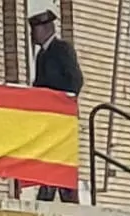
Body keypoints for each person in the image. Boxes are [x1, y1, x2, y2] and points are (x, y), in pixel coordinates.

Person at [29, 10, 83, 201]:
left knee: (61, 155)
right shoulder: (41, 55)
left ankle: (66, 195)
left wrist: (61, 100)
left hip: (61, 114)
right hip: (48, 116)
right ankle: (48, 189)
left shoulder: (62, 49)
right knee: (51, 154)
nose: (32, 35)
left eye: (34, 30)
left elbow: (75, 81)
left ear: (45, 29)